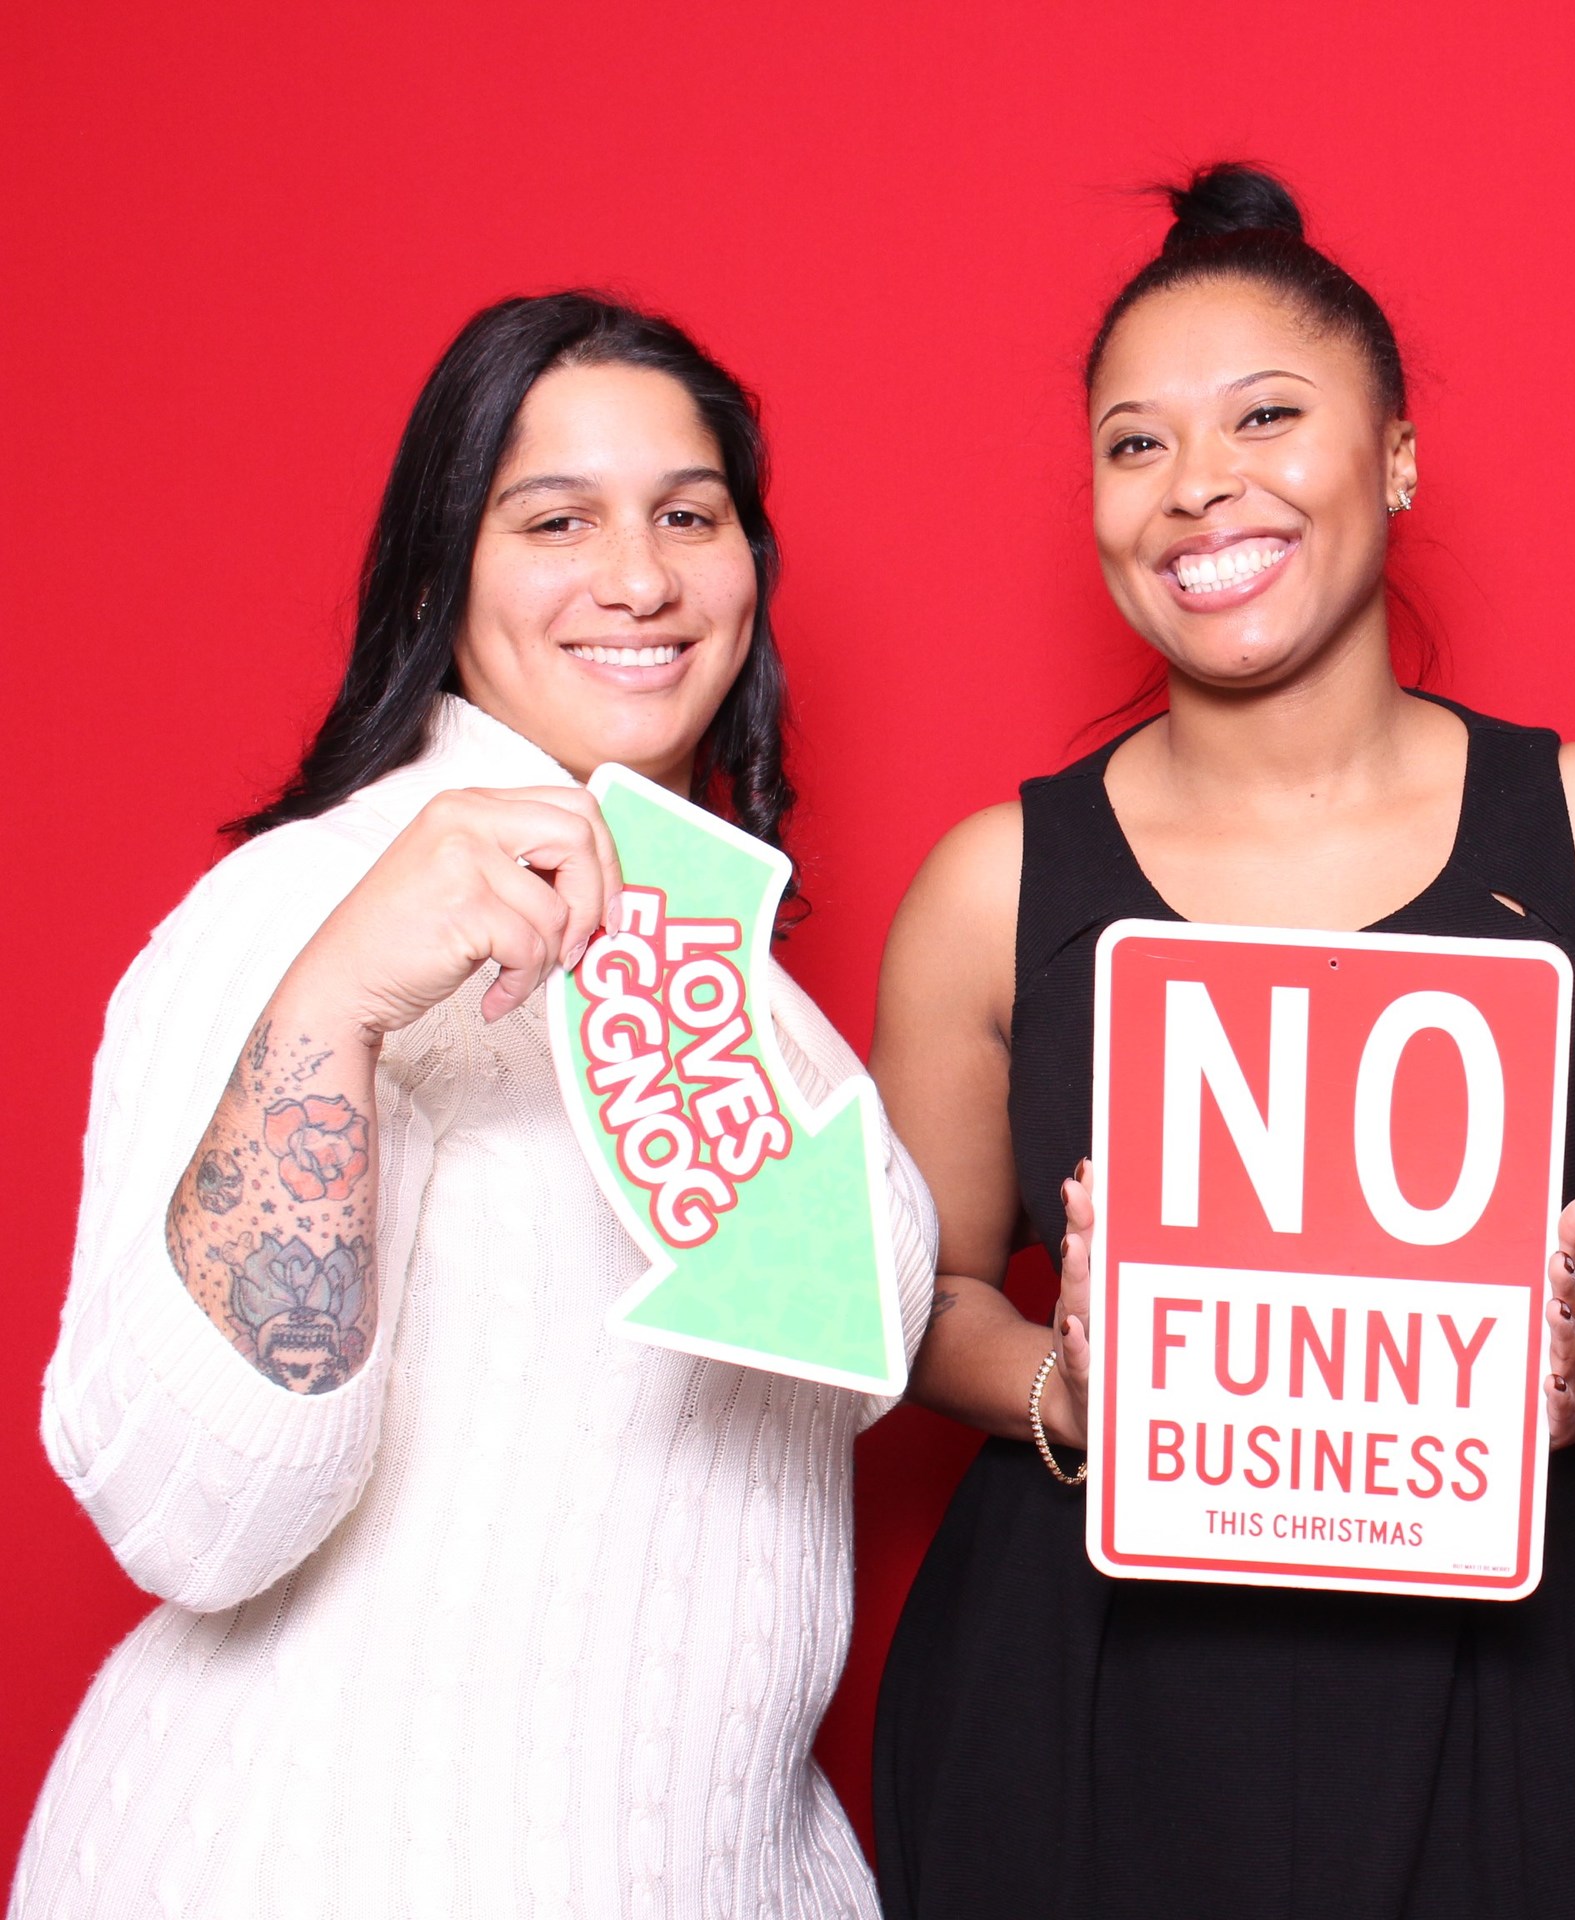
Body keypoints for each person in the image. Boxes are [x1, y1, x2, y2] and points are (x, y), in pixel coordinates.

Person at [867, 164, 1575, 1920]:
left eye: (1266, 416)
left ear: (1398, 458)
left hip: (1471, 1683)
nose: (1198, 483)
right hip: (1079, 1688)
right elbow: (917, 1298)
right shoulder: (991, 884)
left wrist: (1514, 1395)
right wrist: (1074, 1390)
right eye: (1136, 444)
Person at [15, 294, 937, 1918]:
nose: (638, 579)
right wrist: (335, 1004)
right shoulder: (309, 909)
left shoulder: (739, 982)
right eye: (555, 520)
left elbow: (768, 1473)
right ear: (442, 572)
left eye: (688, 516)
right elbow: (194, 1516)